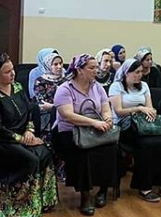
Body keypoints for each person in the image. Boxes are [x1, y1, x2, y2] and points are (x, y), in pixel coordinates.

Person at [0, 54, 58, 217]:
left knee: (45, 153)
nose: (13, 74)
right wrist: (24, 140)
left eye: (12, 70)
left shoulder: (17, 86)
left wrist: (29, 131)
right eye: (7, 72)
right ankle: (18, 208)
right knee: (30, 160)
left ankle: (41, 201)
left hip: (19, 135)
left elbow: (30, 111)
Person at [52, 54, 119, 216]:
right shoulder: (65, 89)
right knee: (83, 151)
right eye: (91, 68)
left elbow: (105, 108)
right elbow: (68, 115)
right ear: (79, 70)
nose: (96, 70)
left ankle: (103, 190)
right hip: (69, 131)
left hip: (94, 129)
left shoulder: (97, 87)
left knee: (111, 148)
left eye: (96, 67)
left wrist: (108, 119)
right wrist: (94, 123)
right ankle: (85, 195)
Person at [108, 59, 161, 202]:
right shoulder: (116, 87)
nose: (140, 75)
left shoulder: (144, 85)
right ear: (127, 73)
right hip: (124, 125)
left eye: (141, 72)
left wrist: (150, 113)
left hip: (142, 123)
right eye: (137, 72)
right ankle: (144, 187)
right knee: (146, 144)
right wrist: (139, 108)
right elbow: (119, 111)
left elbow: (150, 107)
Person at [33, 52, 64, 136]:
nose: (59, 67)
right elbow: (42, 104)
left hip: (65, 114)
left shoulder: (66, 79)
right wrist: (55, 108)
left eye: (60, 63)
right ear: (48, 66)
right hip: (47, 117)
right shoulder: (40, 81)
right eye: (55, 64)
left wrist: (54, 107)